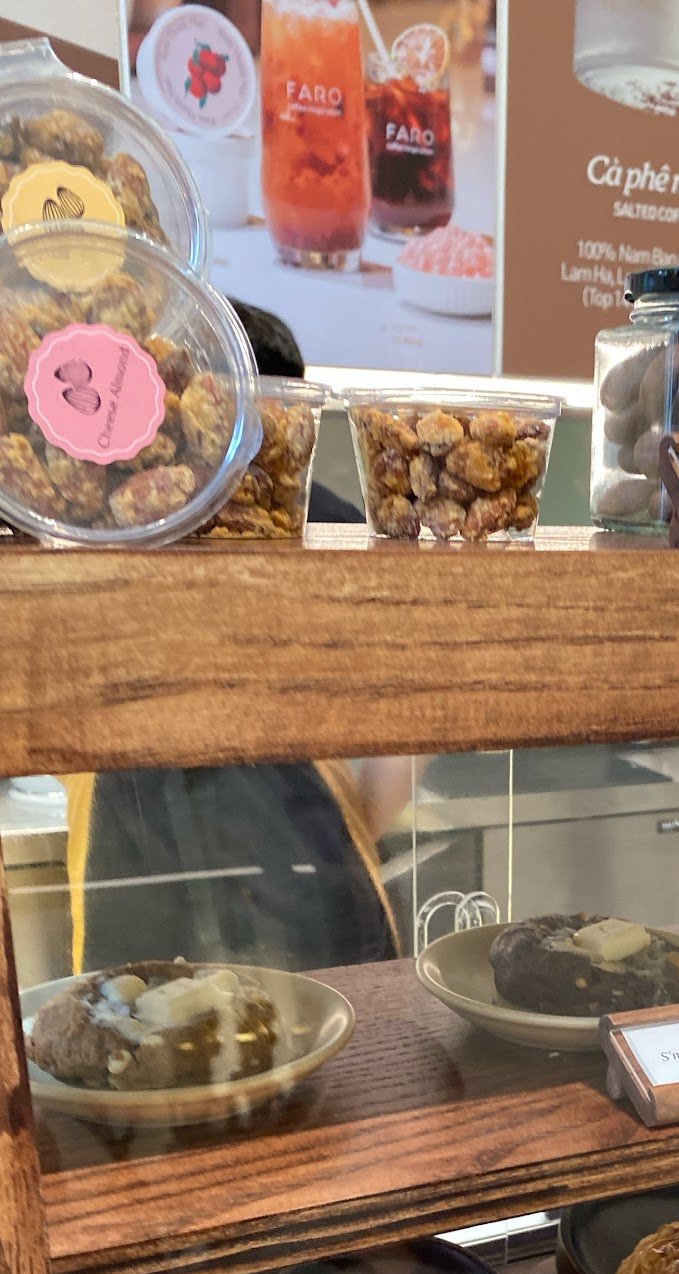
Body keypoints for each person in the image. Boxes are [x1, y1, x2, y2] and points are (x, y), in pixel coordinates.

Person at [64, 306, 412, 973]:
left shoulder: (110, 522)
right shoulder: (334, 522)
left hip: (143, 872)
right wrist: (349, 828)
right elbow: (406, 732)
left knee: (141, 1024)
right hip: (306, 865)